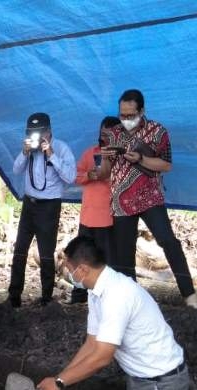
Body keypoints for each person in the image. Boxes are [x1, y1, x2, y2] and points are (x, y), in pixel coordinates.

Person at [37, 236, 189, 390]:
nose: (67, 272)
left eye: (68, 267)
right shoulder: (96, 291)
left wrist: (59, 382)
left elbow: (102, 357)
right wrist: (60, 379)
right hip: (140, 378)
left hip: (160, 382)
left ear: (82, 269)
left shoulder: (117, 295)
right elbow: (92, 344)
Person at [105, 89, 197, 309]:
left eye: (130, 115)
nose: (126, 120)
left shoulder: (158, 132)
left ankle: (189, 294)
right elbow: (107, 169)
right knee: (124, 252)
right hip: (121, 201)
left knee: (169, 242)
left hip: (150, 198)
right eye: (122, 115)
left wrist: (141, 158)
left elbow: (166, 165)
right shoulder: (113, 134)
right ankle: (132, 302)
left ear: (142, 110)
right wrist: (106, 159)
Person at [8, 112, 76, 307]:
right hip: (29, 204)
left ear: (49, 131)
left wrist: (51, 155)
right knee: (20, 249)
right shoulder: (29, 148)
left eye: (39, 133)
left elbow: (70, 177)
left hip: (49, 206)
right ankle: (14, 297)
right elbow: (16, 170)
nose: (36, 137)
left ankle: (47, 298)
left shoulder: (61, 148)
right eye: (32, 133)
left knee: (46, 253)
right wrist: (24, 152)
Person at [69, 116, 121, 304]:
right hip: (88, 215)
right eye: (102, 131)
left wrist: (107, 172)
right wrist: (89, 175)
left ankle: (109, 297)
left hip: (108, 217)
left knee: (107, 259)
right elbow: (75, 175)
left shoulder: (121, 156)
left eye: (109, 132)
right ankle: (79, 295)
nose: (104, 135)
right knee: (81, 257)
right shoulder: (89, 153)